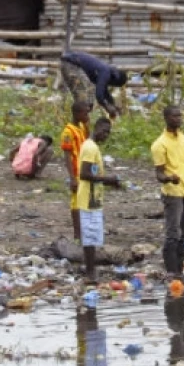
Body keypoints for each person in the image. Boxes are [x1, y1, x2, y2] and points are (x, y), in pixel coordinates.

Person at [152, 106, 184, 278]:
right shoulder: (159, 144)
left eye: (179, 116)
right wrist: (169, 178)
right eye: (175, 116)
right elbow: (159, 174)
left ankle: (179, 270)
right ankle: (171, 271)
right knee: (173, 233)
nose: (178, 119)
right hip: (172, 193)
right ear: (166, 118)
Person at [77, 118, 120, 282]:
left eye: (108, 133)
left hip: (93, 197)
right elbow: (84, 174)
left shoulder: (93, 147)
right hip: (88, 197)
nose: (106, 135)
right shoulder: (90, 147)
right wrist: (107, 179)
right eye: (104, 131)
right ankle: (90, 272)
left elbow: (93, 173)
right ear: (97, 128)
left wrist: (109, 182)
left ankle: (90, 268)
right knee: (89, 236)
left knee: (92, 235)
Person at [59, 51, 128, 119]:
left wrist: (113, 105)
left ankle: (80, 121)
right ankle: (78, 122)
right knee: (83, 100)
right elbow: (99, 96)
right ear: (115, 79)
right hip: (71, 64)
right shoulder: (106, 72)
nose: (111, 85)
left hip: (69, 63)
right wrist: (107, 107)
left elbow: (105, 92)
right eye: (113, 84)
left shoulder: (106, 71)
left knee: (87, 100)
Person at [61, 100, 91, 241]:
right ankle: (77, 234)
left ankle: (84, 232)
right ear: (77, 113)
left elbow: (89, 140)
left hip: (84, 170)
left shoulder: (81, 127)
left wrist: (87, 125)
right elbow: (67, 155)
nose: (87, 116)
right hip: (76, 171)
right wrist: (72, 177)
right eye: (85, 113)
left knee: (85, 201)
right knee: (76, 203)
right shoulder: (68, 132)